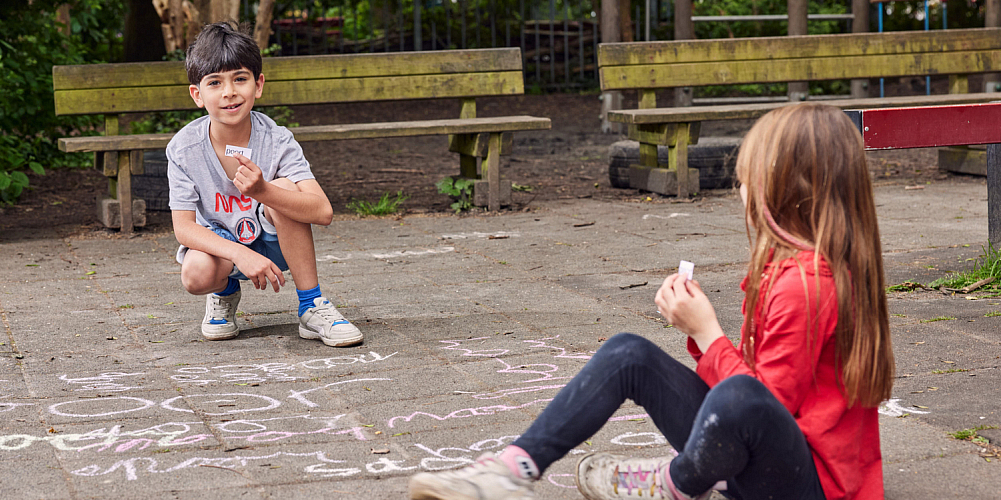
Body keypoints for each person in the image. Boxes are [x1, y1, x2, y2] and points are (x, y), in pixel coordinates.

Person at [408, 103, 893, 500]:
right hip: (764, 460)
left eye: (750, 178)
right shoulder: (789, 269)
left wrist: (707, 333)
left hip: (808, 487)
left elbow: (762, 406)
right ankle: (511, 471)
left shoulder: (808, 283)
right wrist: (701, 335)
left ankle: (673, 486)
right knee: (628, 354)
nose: (740, 188)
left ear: (789, 189)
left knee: (739, 396)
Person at [168, 22, 362, 347]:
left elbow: (323, 211)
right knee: (195, 273)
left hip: (275, 243)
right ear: (197, 95)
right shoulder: (184, 148)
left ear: (258, 85)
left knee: (285, 187)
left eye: (239, 79)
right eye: (215, 83)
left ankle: (311, 305)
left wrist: (264, 192)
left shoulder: (277, 140)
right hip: (223, 246)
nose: (229, 91)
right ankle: (224, 292)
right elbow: (184, 229)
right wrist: (240, 255)